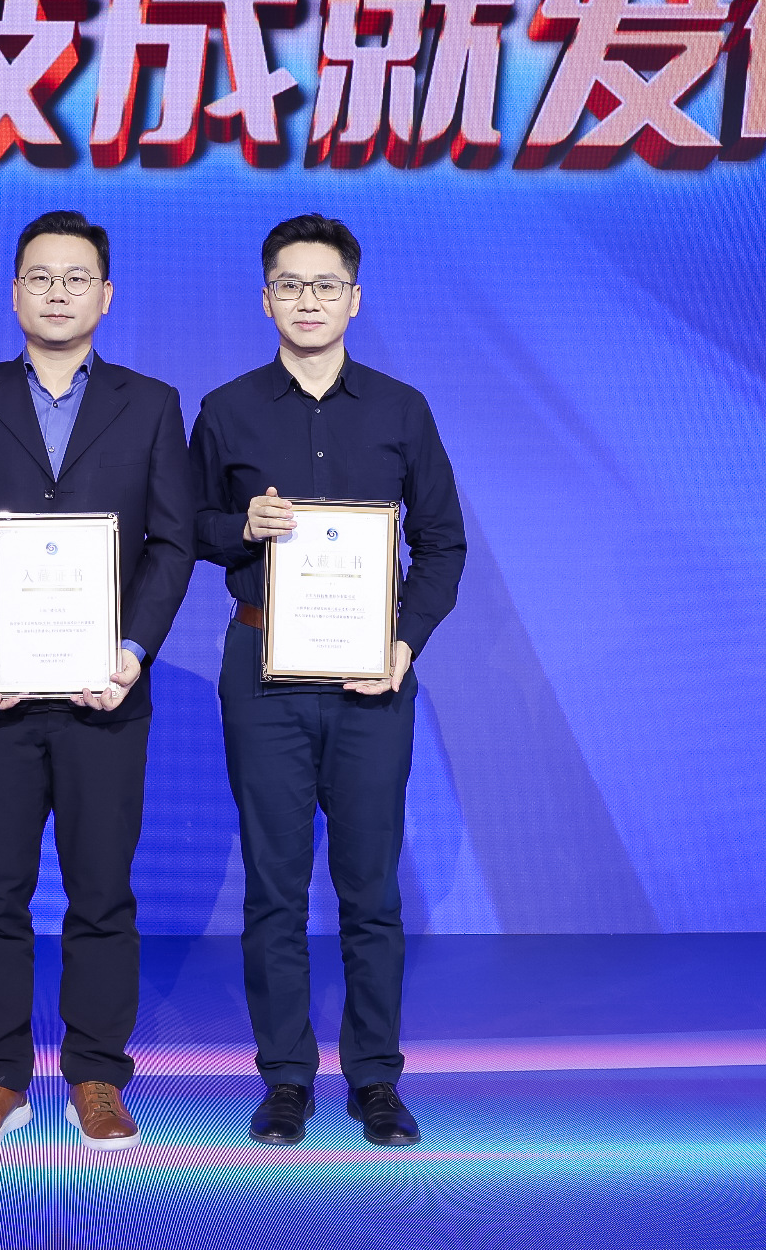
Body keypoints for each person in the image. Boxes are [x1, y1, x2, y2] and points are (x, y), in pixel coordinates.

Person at [0, 210, 196, 1152]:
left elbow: (172, 543)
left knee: (102, 890)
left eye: (77, 278)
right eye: (40, 276)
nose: (58, 292)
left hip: (104, 694)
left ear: (106, 296)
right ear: (14, 293)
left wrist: (133, 652)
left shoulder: (152, 404)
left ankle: (96, 1077)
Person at [190, 212, 466, 1149]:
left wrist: (406, 642)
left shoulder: (401, 409)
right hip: (262, 670)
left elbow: (443, 544)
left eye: (326, 285)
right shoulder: (226, 408)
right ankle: (285, 1081)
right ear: (265, 297)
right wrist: (241, 526)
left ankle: (376, 1081)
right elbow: (184, 526)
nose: (307, 301)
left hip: (369, 677)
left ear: (355, 298)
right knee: (274, 887)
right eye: (289, 284)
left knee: (369, 887)